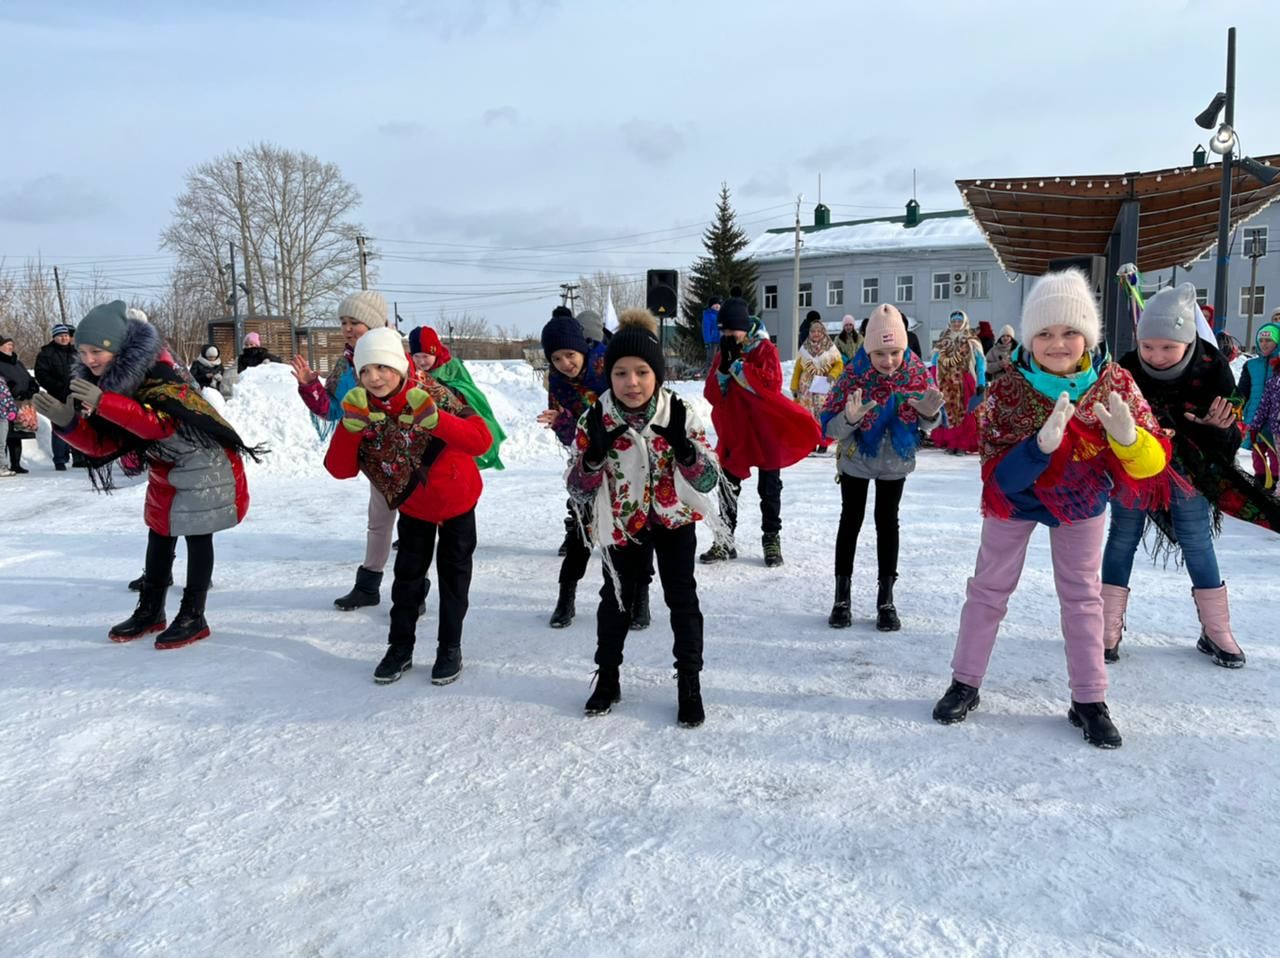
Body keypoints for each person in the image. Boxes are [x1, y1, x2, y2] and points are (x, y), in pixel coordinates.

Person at [931, 269, 1176, 750]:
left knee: (1083, 596)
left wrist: (1130, 440)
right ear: (1028, 337)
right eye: (1044, 332)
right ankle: (965, 681)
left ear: (1087, 334)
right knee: (988, 589)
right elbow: (996, 478)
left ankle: (1089, 699)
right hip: (1018, 499)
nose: (1058, 343)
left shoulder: (1113, 383)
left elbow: (1152, 465)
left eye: (1069, 331)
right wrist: (1039, 449)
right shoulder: (1005, 389)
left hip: (1081, 499)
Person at [33, 301, 262, 649]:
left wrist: (106, 402)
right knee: (159, 532)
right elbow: (103, 444)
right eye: (84, 352)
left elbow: (157, 424)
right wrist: (67, 424)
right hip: (166, 463)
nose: (91, 359)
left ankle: (193, 615)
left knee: (197, 536)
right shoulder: (106, 384)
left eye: (98, 351)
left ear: (119, 348)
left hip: (203, 461)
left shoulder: (160, 373)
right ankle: (151, 610)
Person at [1101, 284, 1280, 669]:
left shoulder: (1211, 369)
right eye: (1149, 346)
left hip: (1190, 470)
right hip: (1135, 468)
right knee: (1122, 537)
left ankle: (1216, 630)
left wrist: (1217, 428)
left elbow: (1230, 439)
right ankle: (1107, 626)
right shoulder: (1126, 368)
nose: (1156, 356)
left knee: (1197, 540)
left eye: (1168, 347)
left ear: (1187, 340)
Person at [566, 309, 721, 726]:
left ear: (657, 374)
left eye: (641, 372)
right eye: (620, 373)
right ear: (609, 374)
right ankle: (608, 678)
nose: (631, 383)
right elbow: (577, 490)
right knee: (616, 602)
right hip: (623, 523)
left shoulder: (680, 413)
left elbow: (708, 479)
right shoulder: (596, 418)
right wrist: (592, 459)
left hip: (674, 521)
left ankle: (689, 682)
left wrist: (686, 454)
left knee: (682, 600)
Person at [324, 327, 491, 685]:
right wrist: (350, 429)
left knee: (453, 578)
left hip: (456, 500)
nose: (374, 378)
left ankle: (450, 648)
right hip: (412, 503)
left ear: (399, 366)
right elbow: (339, 470)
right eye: (366, 371)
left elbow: (481, 440)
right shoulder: (361, 404)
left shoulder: (432, 393)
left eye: (382, 367)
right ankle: (399, 648)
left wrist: (436, 420)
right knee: (407, 581)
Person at [821, 304, 944, 630]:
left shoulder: (916, 374)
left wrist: (929, 415)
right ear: (867, 349)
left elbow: (931, 421)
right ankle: (841, 598)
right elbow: (828, 429)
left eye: (894, 352)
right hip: (856, 460)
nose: (888, 361)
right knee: (851, 521)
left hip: (895, 461)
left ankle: (886, 600)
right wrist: (850, 418)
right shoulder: (852, 375)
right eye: (879, 353)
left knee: (887, 523)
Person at [292, 290, 398, 610]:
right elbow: (332, 410)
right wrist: (310, 386)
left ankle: (413, 587)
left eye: (356, 322)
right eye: (343, 322)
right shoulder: (345, 364)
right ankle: (368, 586)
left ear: (375, 325)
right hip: (374, 458)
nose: (348, 329)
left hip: (408, 453)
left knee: (417, 522)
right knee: (379, 520)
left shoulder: (395, 357)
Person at [701, 297, 819, 567]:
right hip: (736, 429)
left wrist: (738, 367)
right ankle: (724, 540)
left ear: (744, 327)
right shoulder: (723, 353)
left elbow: (771, 385)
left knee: (769, 487)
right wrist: (722, 370)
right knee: (727, 485)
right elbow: (712, 395)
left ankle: (771, 539)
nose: (728, 335)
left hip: (766, 427)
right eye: (723, 331)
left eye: (732, 330)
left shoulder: (765, 349)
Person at [408, 325, 506, 471]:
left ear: (435, 352)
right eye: (416, 356)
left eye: (425, 356)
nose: (421, 361)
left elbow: (467, 388)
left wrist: (449, 390)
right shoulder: (411, 369)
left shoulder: (452, 365)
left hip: (452, 419)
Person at [929, 309, 987, 453]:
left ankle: (963, 444)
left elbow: (980, 363)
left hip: (964, 381)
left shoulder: (971, 340)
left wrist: (981, 382)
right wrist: (932, 380)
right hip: (946, 382)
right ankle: (952, 442)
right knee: (949, 413)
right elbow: (935, 362)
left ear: (965, 322)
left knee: (965, 413)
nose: (956, 324)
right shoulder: (944, 339)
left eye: (959, 321)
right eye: (954, 321)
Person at [791, 312, 844, 452]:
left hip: (823, 384)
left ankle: (823, 442)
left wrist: (832, 375)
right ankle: (811, 442)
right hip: (806, 387)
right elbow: (798, 368)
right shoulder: (804, 348)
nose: (815, 333)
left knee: (822, 413)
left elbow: (839, 364)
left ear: (823, 332)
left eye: (818, 331)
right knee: (809, 415)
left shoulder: (830, 347)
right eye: (812, 331)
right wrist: (794, 386)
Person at [34, 323, 81, 470]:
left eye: (66, 335)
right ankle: (60, 459)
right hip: (58, 396)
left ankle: (79, 457)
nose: (64, 338)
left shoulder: (76, 352)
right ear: (54, 337)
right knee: (60, 427)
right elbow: (41, 374)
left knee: (78, 426)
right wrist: (57, 387)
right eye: (61, 336)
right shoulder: (46, 354)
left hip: (76, 394)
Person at [1238, 318, 1277, 450]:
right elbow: (1241, 393)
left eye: (1268, 341)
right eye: (1261, 340)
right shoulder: (1251, 365)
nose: (1263, 344)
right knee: (1249, 458)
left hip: (1275, 422)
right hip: (1252, 420)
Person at [0, 335, 36, 473]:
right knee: (4, 433)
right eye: (7, 344)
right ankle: (3, 464)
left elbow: (27, 377)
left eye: (12, 344)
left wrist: (32, 386)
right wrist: (12, 389)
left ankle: (16, 463)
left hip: (22, 402)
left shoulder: (17, 363)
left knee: (17, 433)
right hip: (6, 402)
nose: (11, 347)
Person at [0, 372, 15, 477]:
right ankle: (2, 466)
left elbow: (8, 398)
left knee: (2, 443)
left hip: (3, 416)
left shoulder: (2, 380)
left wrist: (11, 410)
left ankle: (2, 466)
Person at [701, 297, 722, 370]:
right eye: (715, 304)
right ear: (711, 306)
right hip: (712, 341)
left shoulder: (722, 314)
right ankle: (709, 376)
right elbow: (706, 329)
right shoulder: (708, 315)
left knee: (721, 360)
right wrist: (707, 341)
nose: (717, 306)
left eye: (718, 304)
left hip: (722, 340)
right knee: (711, 360)